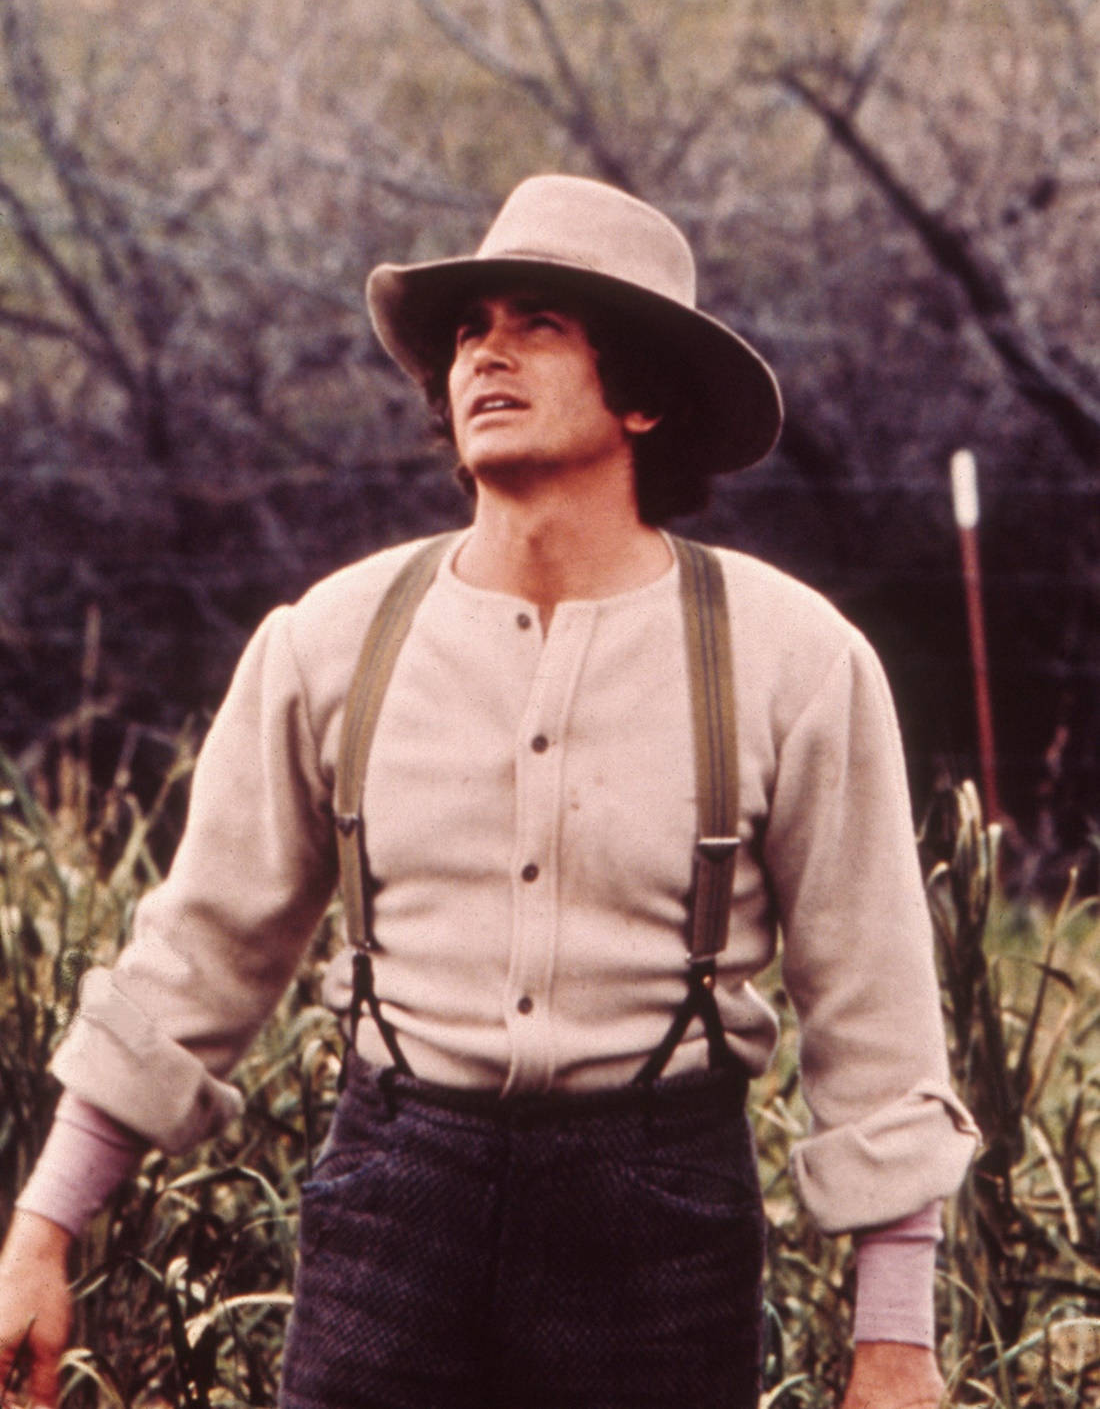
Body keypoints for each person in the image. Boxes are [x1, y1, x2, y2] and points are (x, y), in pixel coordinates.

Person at [0, 175, 979, 1408]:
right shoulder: (329, 639)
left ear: (642, 394)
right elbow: (198, 950)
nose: (487, 355)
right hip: (390, 1206)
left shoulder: (794, 656)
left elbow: (875, 1004)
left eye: (539, 324)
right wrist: (43, 1226)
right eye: (470, 328)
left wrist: (893, 1335)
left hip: (657, 1226)